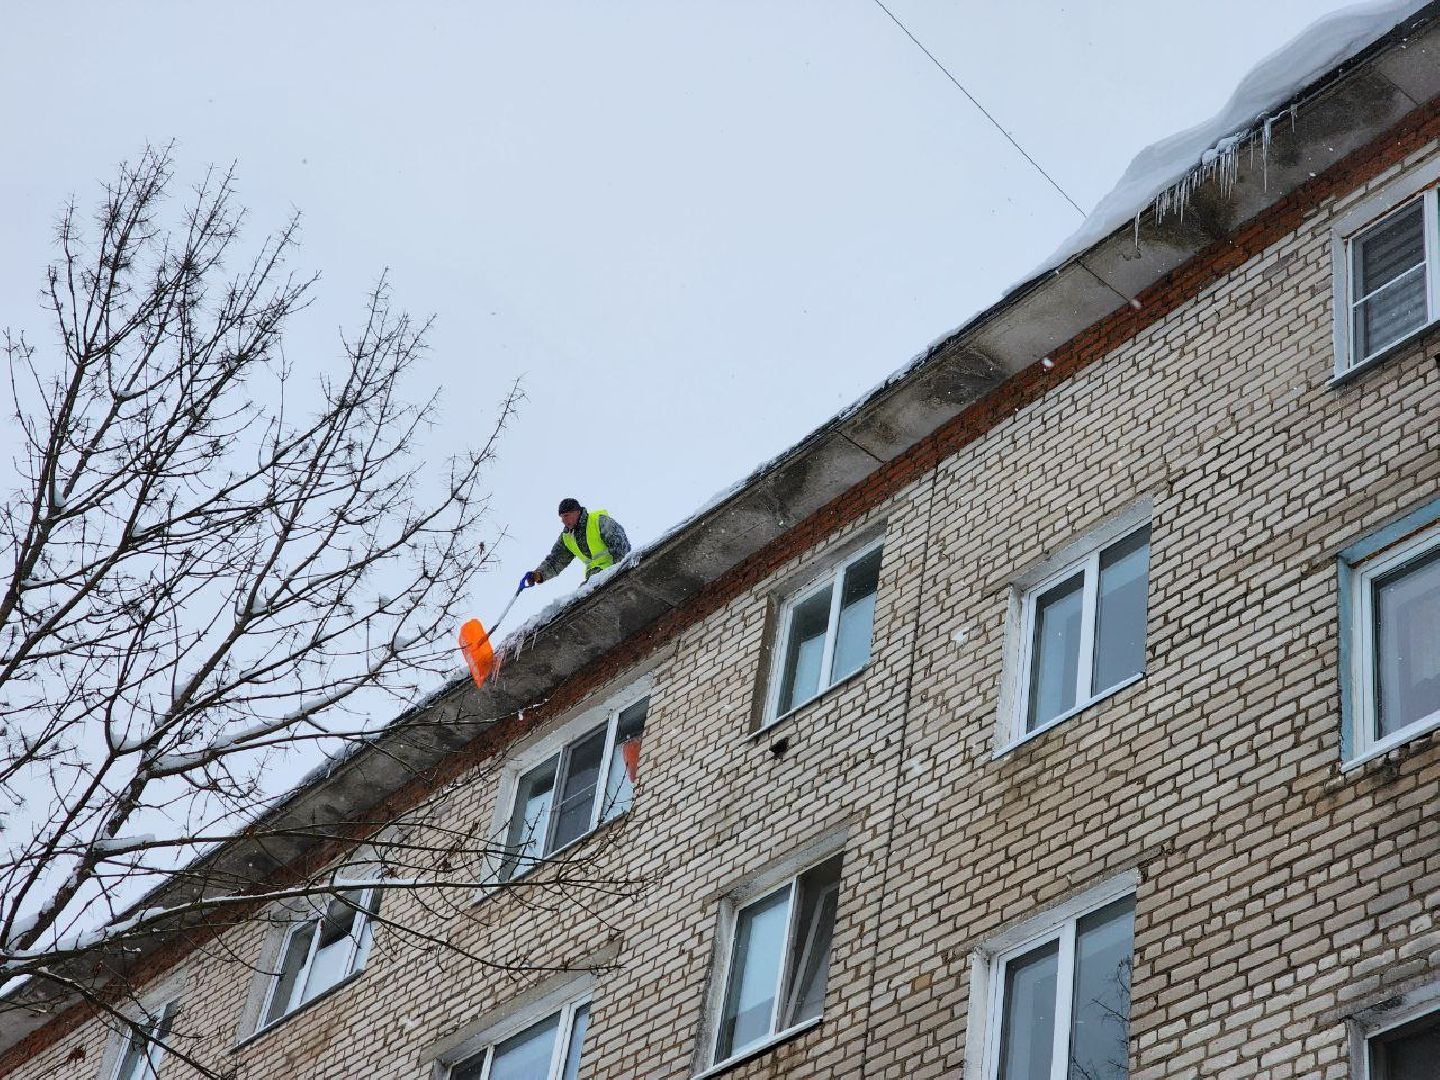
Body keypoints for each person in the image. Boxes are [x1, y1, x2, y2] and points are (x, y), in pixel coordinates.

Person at [526, 499, 631, 585]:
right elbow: (555, 560)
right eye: (561, 517)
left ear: (577, 512)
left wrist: (619, 573)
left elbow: (621, 547)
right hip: (594, 579)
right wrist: (539, 574)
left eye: (566, 515)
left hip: (614, 571)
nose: (563, 520)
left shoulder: (599, 521)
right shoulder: (567, 537)